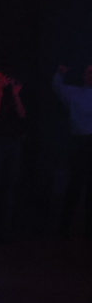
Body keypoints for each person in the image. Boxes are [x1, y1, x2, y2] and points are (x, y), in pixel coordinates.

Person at [51, 64, 92, 237]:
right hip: (80, 143)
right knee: (75, 184)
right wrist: (60, 74)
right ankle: (64, 228)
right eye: (89, 72)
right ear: (83, 75)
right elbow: (57, 87)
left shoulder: (74, 93)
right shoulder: (74, 92)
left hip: (84, 141)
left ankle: (88, 230)